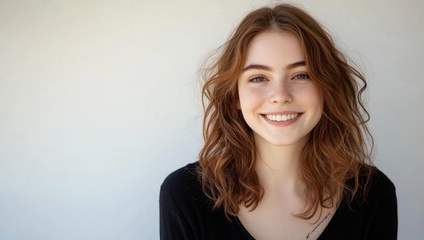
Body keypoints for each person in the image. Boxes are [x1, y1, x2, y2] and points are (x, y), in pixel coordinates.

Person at [159, 3, 397, 240]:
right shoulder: (184, 195)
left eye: (301, 75)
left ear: (327, 88)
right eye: (259, 78)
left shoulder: (373, 194)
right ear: (234, 97)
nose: (281, 95)